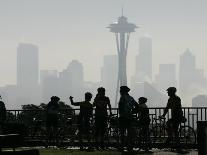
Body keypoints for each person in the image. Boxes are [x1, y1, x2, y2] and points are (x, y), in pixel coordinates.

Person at [160, 87, 184, 152]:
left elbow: (176, 107)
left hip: (177, 116)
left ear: (172, 92)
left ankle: (176, 142)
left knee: (175, 130)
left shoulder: (176, 98)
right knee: (170, 126)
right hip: (174, 116)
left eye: (168, 92)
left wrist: (166, 114)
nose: (167, 93)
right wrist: (163, 115)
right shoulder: (170, 99)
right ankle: (171, 138)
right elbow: (167, 107)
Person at [118, 86, 138, 152]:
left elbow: (120, 107)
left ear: (122, 91)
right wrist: (133, 112)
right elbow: (137, 106)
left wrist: (121, 114)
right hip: (129, 117)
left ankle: (122, 146)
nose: (120, 91)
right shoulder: (131, 98)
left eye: (120, 90)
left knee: (122, 132)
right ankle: (130, 146)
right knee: (130, 133)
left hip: (123, 117)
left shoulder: (122, 97)